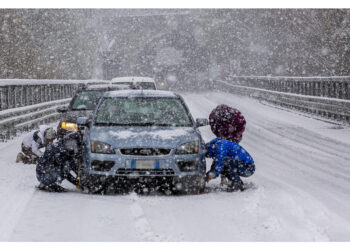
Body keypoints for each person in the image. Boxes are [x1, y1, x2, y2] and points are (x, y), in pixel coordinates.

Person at [205, 104, 255, 191]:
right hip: (244, 165)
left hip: (248, 167)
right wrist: (209, 174)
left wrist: (212, 174)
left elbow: (219, 160)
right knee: (224, 161)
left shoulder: (220, 145)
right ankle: (229, 181)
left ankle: (237, 183)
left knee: (224, 161)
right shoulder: (218, 143)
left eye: (208, 155)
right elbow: (217, 162)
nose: (209, 156)